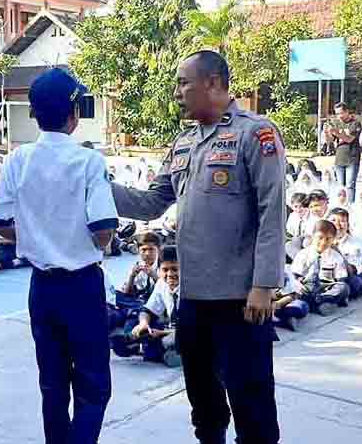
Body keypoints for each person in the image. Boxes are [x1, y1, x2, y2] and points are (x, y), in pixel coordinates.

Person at [110, 51, 284, 444]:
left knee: (252, 404)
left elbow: (272, 211)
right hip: (192, 297)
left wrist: (263, 285)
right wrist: (96, 185)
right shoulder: (183, 143)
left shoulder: (255, 134)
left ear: (213, 83)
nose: (177, 93)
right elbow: (151, 203)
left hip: (240, 298)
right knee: (204, 404)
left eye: (183, 83)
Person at [0, 68, 118, 444]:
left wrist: (32, 237)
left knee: (53, 387)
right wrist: (76, 239)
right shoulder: (89, 161)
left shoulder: (19, 159)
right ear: (73, 115)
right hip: (82, 285)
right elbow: (103, 231)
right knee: (94, 387)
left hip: (42, 287)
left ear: (35, 114)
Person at [112, 245, 182, 368]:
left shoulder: (192, 288)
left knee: (167, 341)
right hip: (171, 329)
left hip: (194, 332)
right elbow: (148, 310)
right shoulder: (162, 283)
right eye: (165, 270)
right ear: (159, 270)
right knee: (143, 327)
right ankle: (148, 346)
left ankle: (155, 349)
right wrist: (143, 324)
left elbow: (198, 327)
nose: (170, 274)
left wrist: (162, 332)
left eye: (175, 269)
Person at [291, 220, 351, 316]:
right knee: (297, 292)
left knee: (344, 288)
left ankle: (321, 301)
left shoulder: (336, 256)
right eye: (320, 238)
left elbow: (341, 279)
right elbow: (295, 276)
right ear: (312, 236)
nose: (323, 242)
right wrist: (298, 284)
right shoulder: (303, 254)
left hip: (326, 288)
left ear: (333, 239)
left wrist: (330, 292)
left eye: (328, 239)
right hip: (308, 287)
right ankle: (324, 305)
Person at [329, 207, 362, 298]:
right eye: (333, 220)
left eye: (342, 221)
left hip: (353, 277)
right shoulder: (321, 243)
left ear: (348, 224)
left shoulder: (360, 241)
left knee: (355, 283)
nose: (337, 225)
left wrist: (361, 272)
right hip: (329, 278)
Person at [325, 102, 362, 202]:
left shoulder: (355, 123)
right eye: (337, 113)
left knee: (350, 185)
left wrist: (336, 132)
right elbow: (330, 141)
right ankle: (341, 204)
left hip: (352, 158)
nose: (339, 116)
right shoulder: (336, 123)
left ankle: (350, 205)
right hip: (339, 159)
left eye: (341, 113)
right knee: (340, 186)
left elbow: (349, 139)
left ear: (347, 112)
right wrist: (327, 133)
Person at [120, 231, 161, 302]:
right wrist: (132, 277)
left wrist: (155, 277)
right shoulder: (138, 266)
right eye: (143, 250)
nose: (147, 253)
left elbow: (168, 293)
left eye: (151, 249)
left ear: (158, 250)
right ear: (139, 250)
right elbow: (126, 293)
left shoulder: (163, 266)